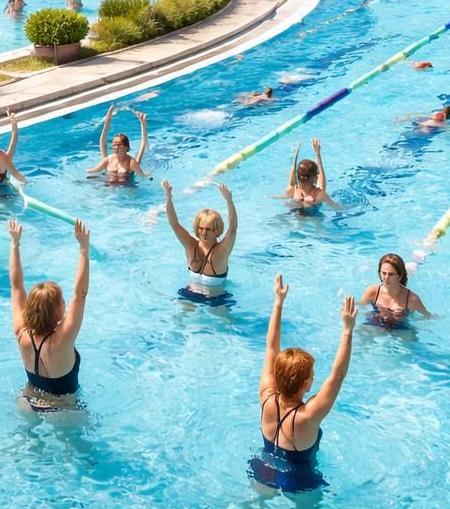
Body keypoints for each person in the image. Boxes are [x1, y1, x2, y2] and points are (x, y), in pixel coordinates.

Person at [251, 275, 356, 492]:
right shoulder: (308, 416)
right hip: (298, 479)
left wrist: (278, 303)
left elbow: (271, 348)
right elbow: (337, 376)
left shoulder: (266, 397)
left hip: (264, 469)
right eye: (312, 376)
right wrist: (347, 330)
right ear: (306, 384)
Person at [9, 216, 91, 410]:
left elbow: (16, 286)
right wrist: (83, 249)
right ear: (55, 310)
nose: (65, 303)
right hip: (63, 408)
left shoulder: (21, 333)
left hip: (27, 400)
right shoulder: (62, 339)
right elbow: (80, 294)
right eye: (62, 301)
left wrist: (14, 245)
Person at [163, 181, 237, 303]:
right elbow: (174, 223)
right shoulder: (190, 245)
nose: (203, 233)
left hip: (216, 298)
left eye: (208, 229)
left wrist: (229, 200)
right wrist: (169, 197)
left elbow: (233, 228)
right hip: (190, 293)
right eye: (201, 228)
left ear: (217, 231)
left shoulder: (221, 251)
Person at [84, 103, 148, 185]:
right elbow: (102, 142)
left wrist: (143, 125)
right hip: (109, 184)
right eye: (114, 145)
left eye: (119, 144)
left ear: (126, 147)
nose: (115, 147)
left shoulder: (131, 162)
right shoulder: (108, 160)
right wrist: (108, 118)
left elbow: (143, 145)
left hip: (127, 186)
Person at [360, 252, 430, 326]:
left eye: (391, 274)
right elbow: (360, 307)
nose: (386, 278)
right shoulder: (373, 292)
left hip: (400, 327)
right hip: (377, 323)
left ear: (400, 276)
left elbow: (427, 316)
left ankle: (415, 263)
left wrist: (414, 321)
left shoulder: (412, 299)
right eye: (384, 273)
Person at [278, 139, 342, 214]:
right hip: (314, 217)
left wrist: (295, 156)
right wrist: (317, 154)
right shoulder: (319, 194)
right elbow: (337, 207)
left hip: (295, 216)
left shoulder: (293, 190)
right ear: (315, 178)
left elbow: (293, 173)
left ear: (298, 176)